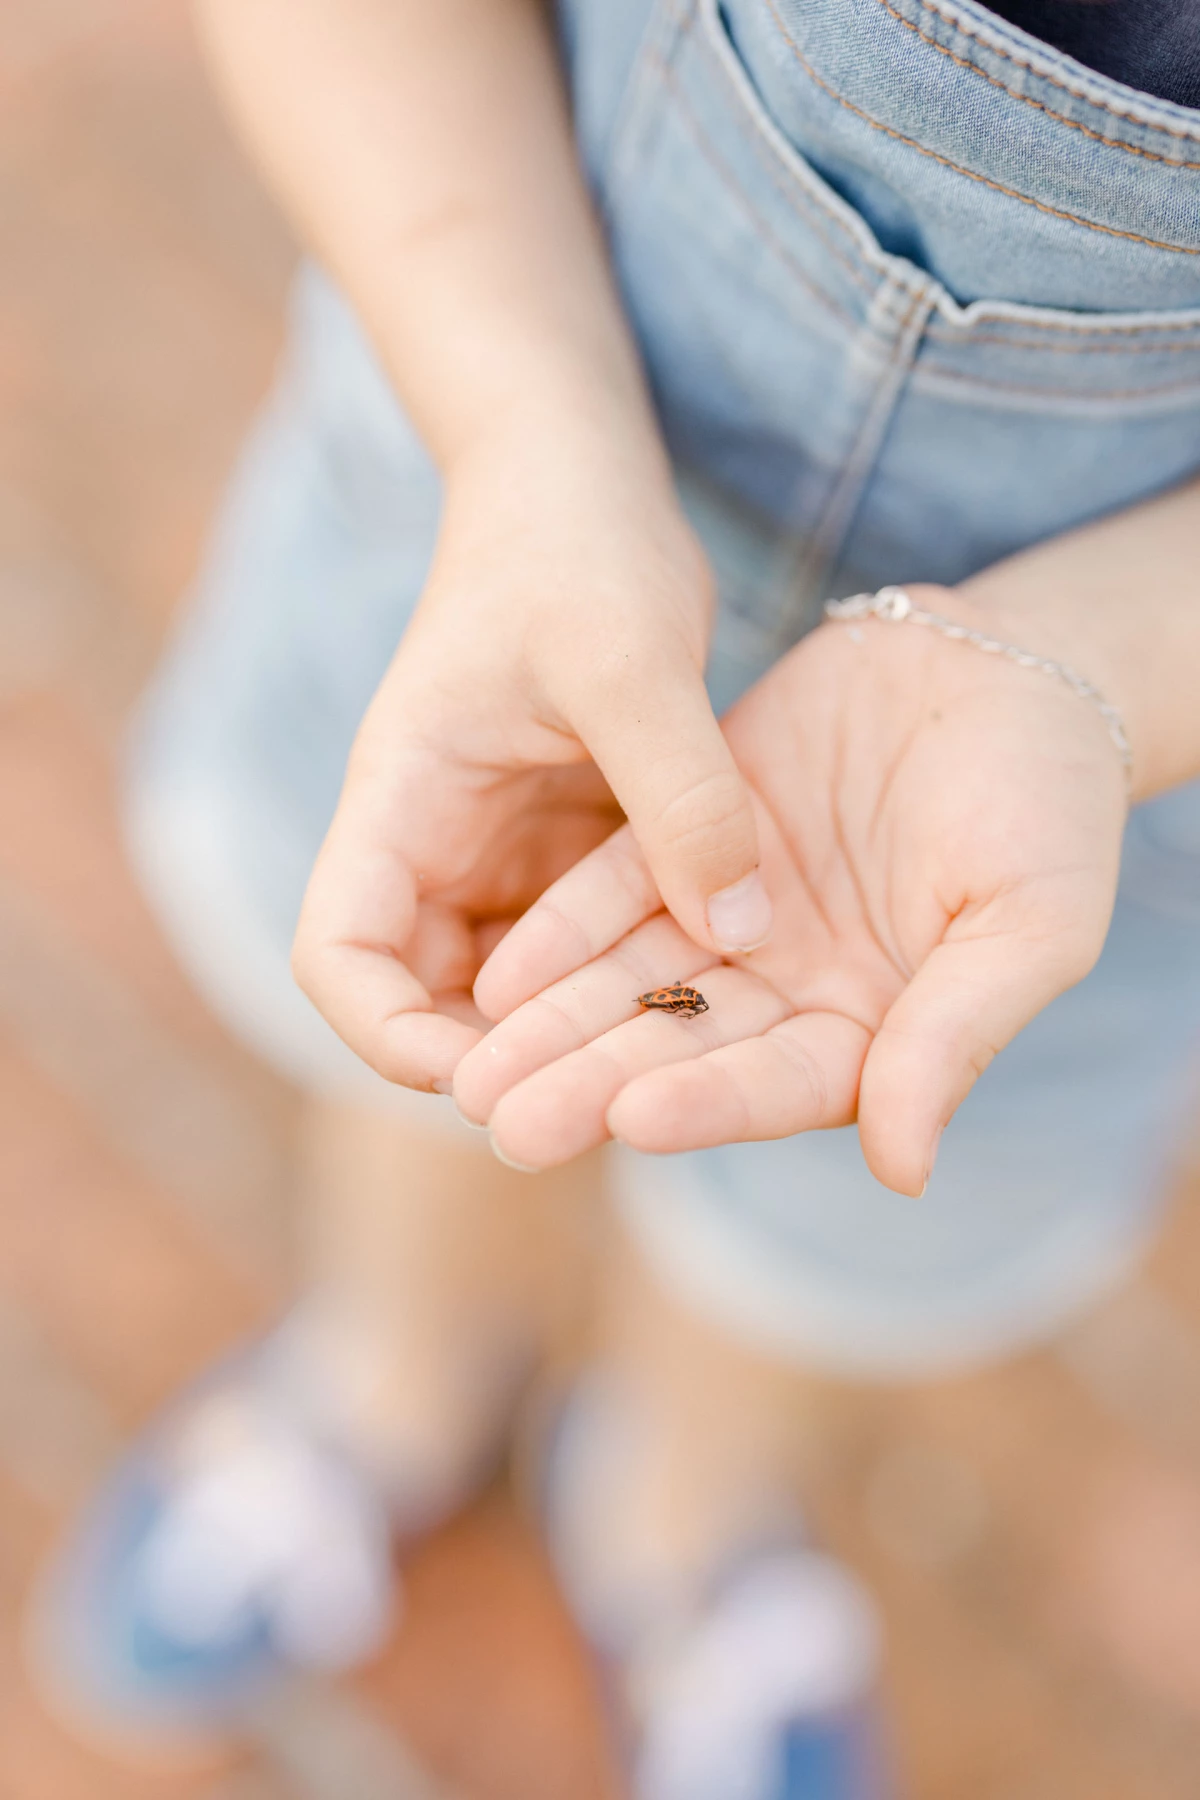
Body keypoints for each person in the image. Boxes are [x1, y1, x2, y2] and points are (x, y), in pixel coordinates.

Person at [32, 1, 1200, 1795]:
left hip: (1081, 790)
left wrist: (1105, 662)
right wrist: (525, 437)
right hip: (488, 543)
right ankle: (385, 1381)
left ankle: (680, 1516)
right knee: (430, 1017)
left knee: (843, 1206)